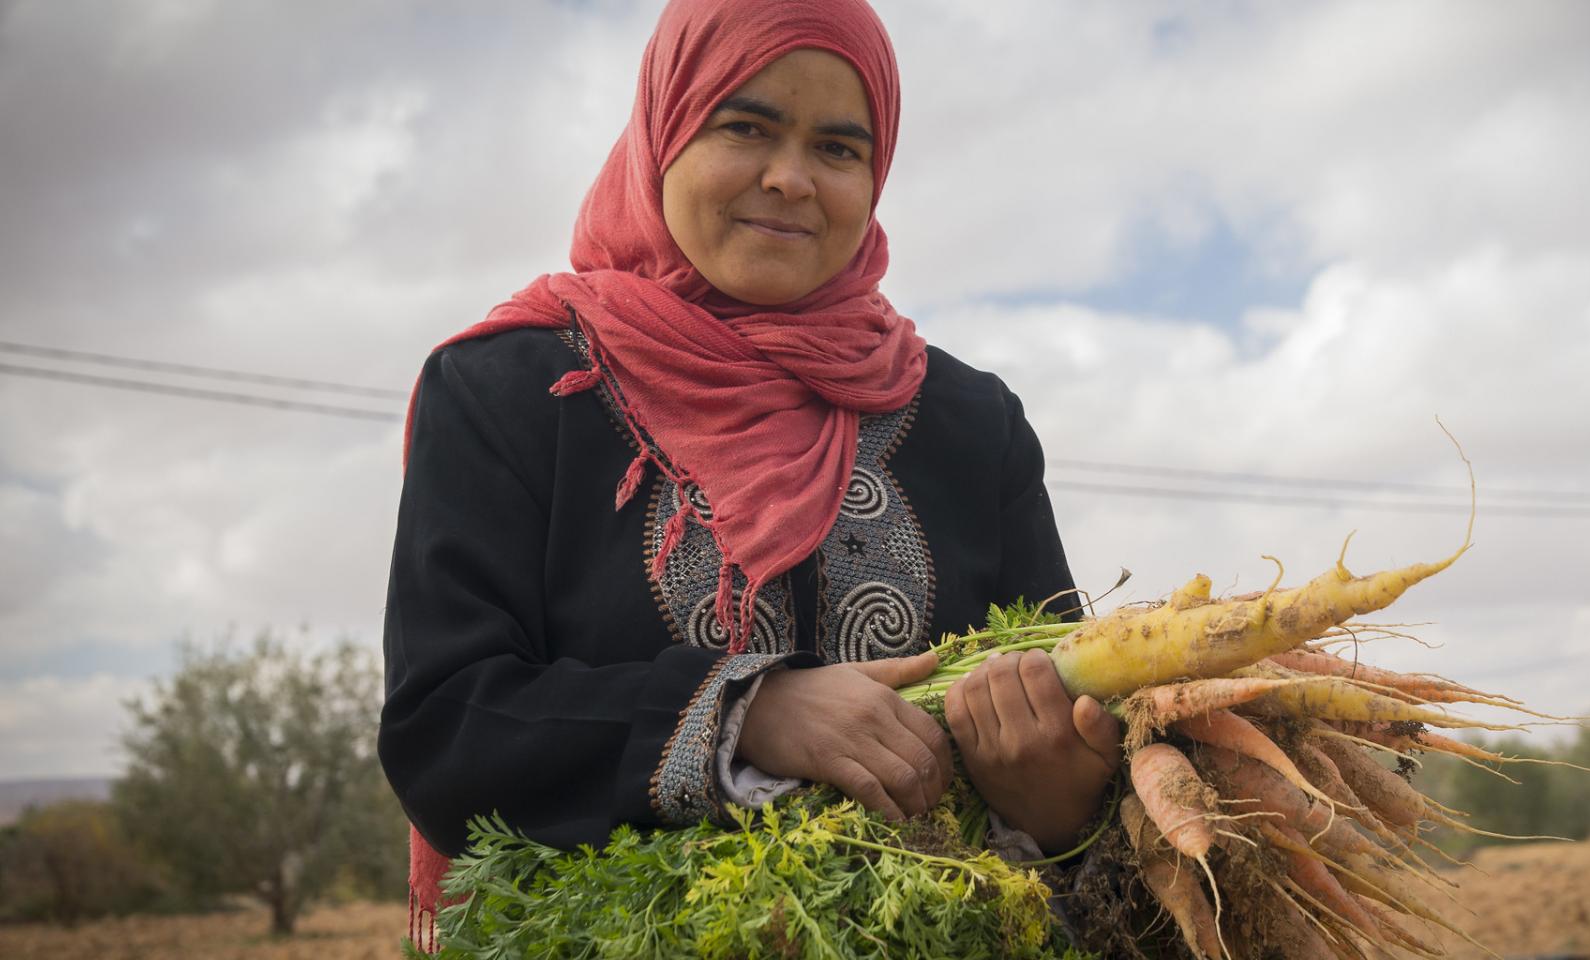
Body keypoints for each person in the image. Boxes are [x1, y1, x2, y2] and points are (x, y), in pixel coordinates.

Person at [378, 0, 1121, 947]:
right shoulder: (512, 391)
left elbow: (1065, 709)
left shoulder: (973, 425)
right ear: (666, 130)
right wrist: (746, 712)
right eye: (747, 127)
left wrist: (1060, 804)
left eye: (840, 150)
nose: (790, 179)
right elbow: (447, 729)